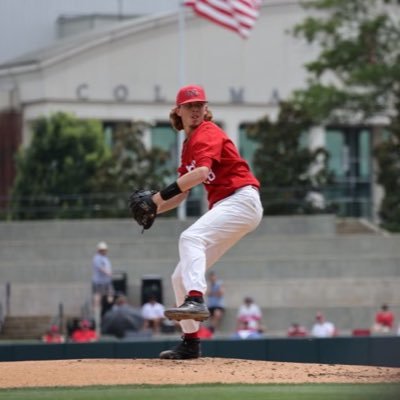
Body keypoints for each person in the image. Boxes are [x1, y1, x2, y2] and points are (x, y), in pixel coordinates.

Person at [148, 84, 263, 359]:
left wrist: (157, 198)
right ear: (178, 111)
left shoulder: (207, 132)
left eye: (200, 105)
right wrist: (155, 208)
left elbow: (201, 173)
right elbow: (183, 193)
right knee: (179, 276)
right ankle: (190, 343)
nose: (196, 110)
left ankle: (196, 300)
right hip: (230, 204)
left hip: (241, 199)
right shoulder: (188, 145)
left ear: (206, 109)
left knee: (190, 238)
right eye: (189, 106)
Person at [92, 241, 113, 309]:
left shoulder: (105, 258)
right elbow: (100, 267)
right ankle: (96, 310)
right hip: (99, 281)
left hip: (106, 281)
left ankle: (109, 308)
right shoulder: (97, 258)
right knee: (98, 295)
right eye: (103, 250)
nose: (104, 251)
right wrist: (107, 272)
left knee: (110, 293)